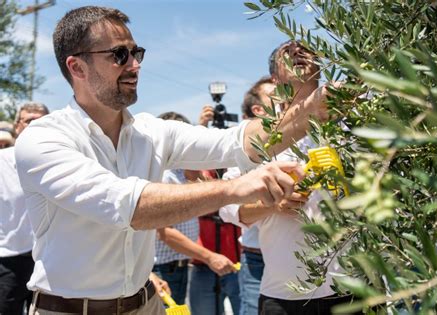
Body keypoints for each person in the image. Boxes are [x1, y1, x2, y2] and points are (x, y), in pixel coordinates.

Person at [14, 7, 332, 315]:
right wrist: (237, 187)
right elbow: (129, 206)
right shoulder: (42, 139)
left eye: (136, 53)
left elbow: (236, 141)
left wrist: (316, 106)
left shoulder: (153, 133)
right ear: (77, 67)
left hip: (147, 304)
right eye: (119, 55)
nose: (134, 66)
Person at [222, 41, 355, 315]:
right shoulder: (258, 137)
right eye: (288, 53)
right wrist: (273, 205)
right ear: (275, 78)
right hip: (284, 296)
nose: (299, 53)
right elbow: (229, 208)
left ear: (321, 67)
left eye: (306, 50)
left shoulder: (349, 123)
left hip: (353, 287)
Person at [153, 112, 236, 306]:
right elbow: (165, 232)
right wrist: (209, 256)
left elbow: (213, 194)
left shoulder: (182, 173)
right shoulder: (165, 177)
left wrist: (194, 162)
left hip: (177, 268)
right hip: (164, 270)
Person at [218, 76, 276, 315]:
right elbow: (229, 209)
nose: (285, 96)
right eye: (276, 94)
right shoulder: (244, 152)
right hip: (257, 263)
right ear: (258, 110)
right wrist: (275, 203)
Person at [0, 102, 49, 315]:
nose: (36, 126)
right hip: (10, 259)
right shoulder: (2, 162)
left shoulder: (65, 164)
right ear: (17, 126)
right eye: (30, 121)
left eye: (43, 121)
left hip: (49, 259)